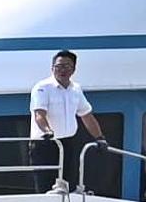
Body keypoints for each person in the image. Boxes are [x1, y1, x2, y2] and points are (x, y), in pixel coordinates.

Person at [29, 51, 101, 193]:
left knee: (69, 184)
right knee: (46, 185)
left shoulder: (76, 89)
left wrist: (100, 137)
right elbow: (39, 114)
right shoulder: (42, 88)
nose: (62, 70)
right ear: (52, 68)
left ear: (73, 69)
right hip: (46, 143)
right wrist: (47, 131)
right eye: (59, 66)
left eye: (67, 66)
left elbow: (86, 115)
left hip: (69, 142)